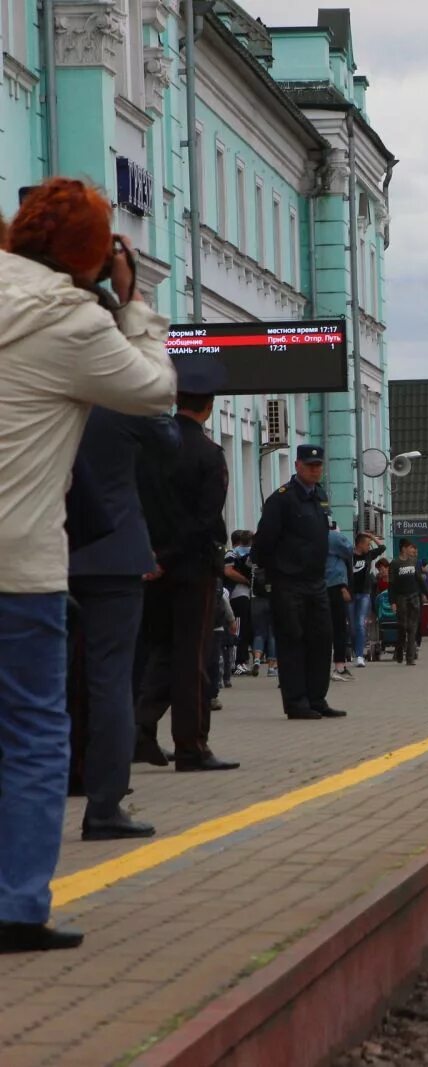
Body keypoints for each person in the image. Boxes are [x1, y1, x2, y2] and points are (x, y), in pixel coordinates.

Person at [0, 178, 177, 952]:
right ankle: (15, 907)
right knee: (33, 733)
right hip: (18, 565)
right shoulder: (72, 322)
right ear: (92, 258)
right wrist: (132, 305)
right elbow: (157, 390)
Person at [67, 407, 179, 841]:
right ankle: (103, 807)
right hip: (113, 555)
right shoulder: (121, 392)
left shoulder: (36, 375)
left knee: (38, 684)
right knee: (111, 681)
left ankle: (50, 790)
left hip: (41, 547)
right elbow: (169, 441)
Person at [132, 367, 238, 774]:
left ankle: (140, 731)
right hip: (191, 569)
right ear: (209, 408)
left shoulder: (147, 448)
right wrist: (170, 557)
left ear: (178, 402)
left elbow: (135, 505)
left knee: (161, 650)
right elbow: (204, 520)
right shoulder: (209, 455)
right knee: (192, 658)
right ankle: (192, 747)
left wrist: (150, 557)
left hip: (151, 568)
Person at [253, 445, 346, 721]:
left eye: (318, 465)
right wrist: (275, 574)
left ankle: (317, 699)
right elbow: (264, 542)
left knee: (321, 639)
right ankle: (296, 702)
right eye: (310, 465)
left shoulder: (320, 496)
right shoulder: (281, 500)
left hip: (317, 581)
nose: (315, 469)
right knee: (293, 640)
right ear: (297, 466)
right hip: (288, 582)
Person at [348, 532, 384, 666]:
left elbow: (382, 548)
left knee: (360, 623)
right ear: (360, 544)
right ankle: (355, 647)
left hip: (364, 593)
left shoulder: (369, 555)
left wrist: (371, 536)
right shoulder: (349, 556)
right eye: (367, 544)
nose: (369, 547)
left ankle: (359, 655)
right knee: (352, 626)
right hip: (350, 594)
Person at [326, 519, 354, 682]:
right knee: (339, 628)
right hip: (334, 585)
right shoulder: (332, 536)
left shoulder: (305, 534)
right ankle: (339, 667)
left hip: (312, 586)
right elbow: (349, 550)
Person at [223, 531, 253, 677]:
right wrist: (246, 581)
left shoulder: (236, 553)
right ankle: (236, 663)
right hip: (238, 595)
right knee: (238, 629)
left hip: (243, 595)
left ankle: (240, 661)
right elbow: (228, 572)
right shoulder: (232, 554)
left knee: (243, 628)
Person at [389, 540, 423, 666]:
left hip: (414, 596)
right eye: (410, 547)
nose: (412, 550)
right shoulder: (395, 563)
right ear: (403, 549)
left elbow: (419, 579)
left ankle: (410, 658)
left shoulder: (414, 562)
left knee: (412, 627)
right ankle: (399, 650)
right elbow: (391, 585)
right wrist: (392, 602)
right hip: (401, 597)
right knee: (402, 626)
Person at [248, 537, 275, 676]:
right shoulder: (275, 556)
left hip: (256, 598)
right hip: (273, 598)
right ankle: (271, 668)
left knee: (259, 632)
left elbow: (247, 564)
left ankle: (257, 659)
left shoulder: (253, 559)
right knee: (273, 634)